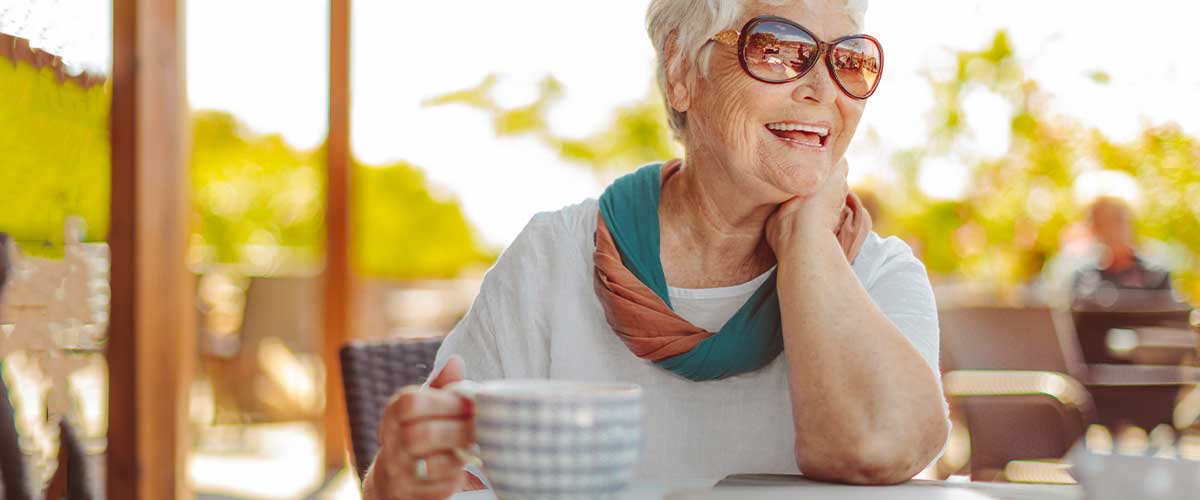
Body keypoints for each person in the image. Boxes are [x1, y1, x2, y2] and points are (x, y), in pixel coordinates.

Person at [364, 2, 948, 498]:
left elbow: (875, 449)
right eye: (777, 48)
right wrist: (400, 479)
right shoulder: (554, 259)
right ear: (680, 70)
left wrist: (807, 241)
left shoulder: (878, 275)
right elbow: (447, 482)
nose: (823, 89)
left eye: (849, 60)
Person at [1070, 196, 1173, 308]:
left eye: (1119, 220)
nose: (1114, 230)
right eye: (1105, 223)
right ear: (1095, 229)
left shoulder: (1155, 276)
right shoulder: (1084, 280)